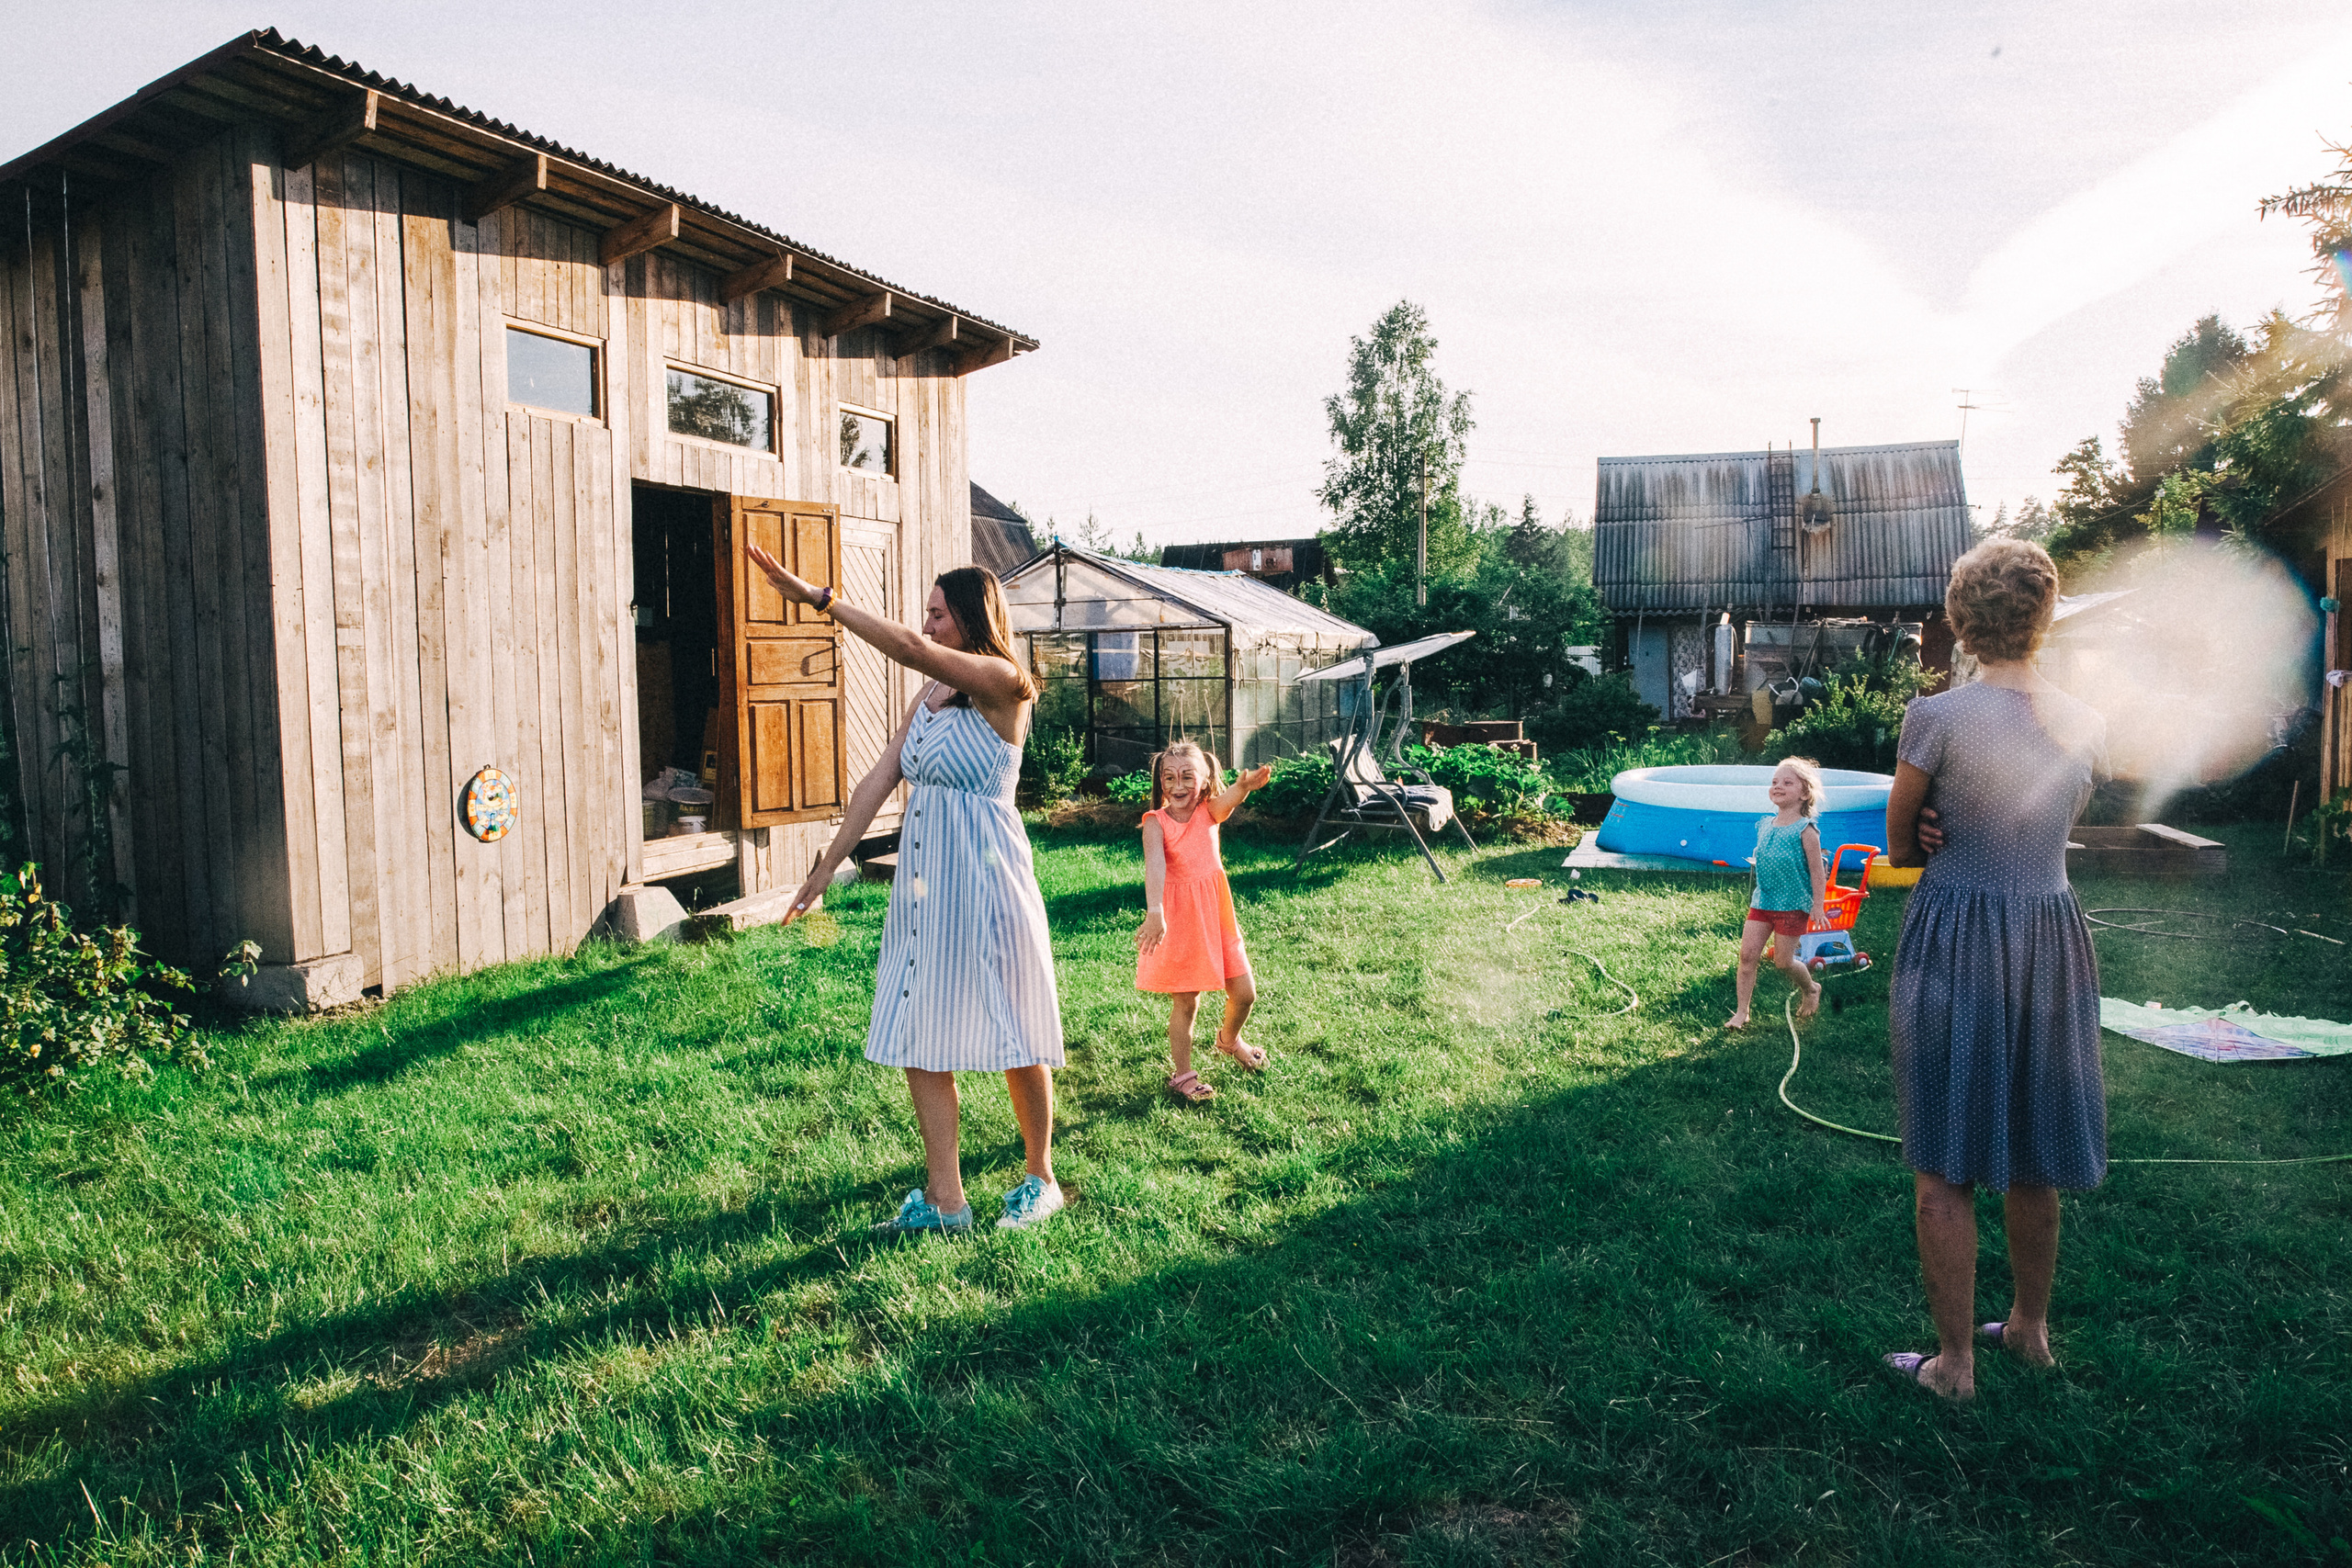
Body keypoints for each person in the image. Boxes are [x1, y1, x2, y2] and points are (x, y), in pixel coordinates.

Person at [749, 547, 1067, 1235]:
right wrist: (825, 866)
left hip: (987, 879)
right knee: (920, 1031)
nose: (927, 624)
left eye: (937, 613)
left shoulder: (1003, 680)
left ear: (972, 617)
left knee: (1015, 1028)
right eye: (926, 613)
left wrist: (819, 598)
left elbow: (905, 647)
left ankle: (1041, 1178)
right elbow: (879, 777)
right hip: (928, 887)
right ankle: (946, 1198)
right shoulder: (931, 696)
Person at [1880, 537, 2107, 1401]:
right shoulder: (2080, 717)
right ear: (2045, 615)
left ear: (1960, 616)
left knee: (1943, 1159)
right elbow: (2054, 817)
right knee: (2035, 1149)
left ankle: (1954, 1365)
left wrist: (1931, 827)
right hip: (2049, 933)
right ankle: (2030, 1331)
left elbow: (1903, 844)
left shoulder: (1936, 716)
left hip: (1958, 936)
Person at [1134, 740, 1273, 1102]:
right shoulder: (1155, 823)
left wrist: (1242, 787)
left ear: (1205, 779)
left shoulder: (1208, 812)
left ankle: (1229, 1040)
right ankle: (1182, 1075)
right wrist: (1155, 912)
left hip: (1216, 916)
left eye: (1186, 777)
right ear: (1160, 783)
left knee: (1244, 994)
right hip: (1179, 922)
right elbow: (1155, 866)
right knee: (1186, 1003)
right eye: (1169, 778)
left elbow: (1227, 802)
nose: (1178, 786)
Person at [1723, 757, 1831, 1031]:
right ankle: (1741, 1012)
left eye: (1787, 782)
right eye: (1774, 782)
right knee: (1747, 957)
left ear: (1804, 793)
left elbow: (1818, 873)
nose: (1777, 786)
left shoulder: (1806, 831)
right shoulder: (1764, 825)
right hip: (1763, 902)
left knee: (1783, 963)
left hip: (1792, 906)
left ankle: (1811, 987)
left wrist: (1818, 905)